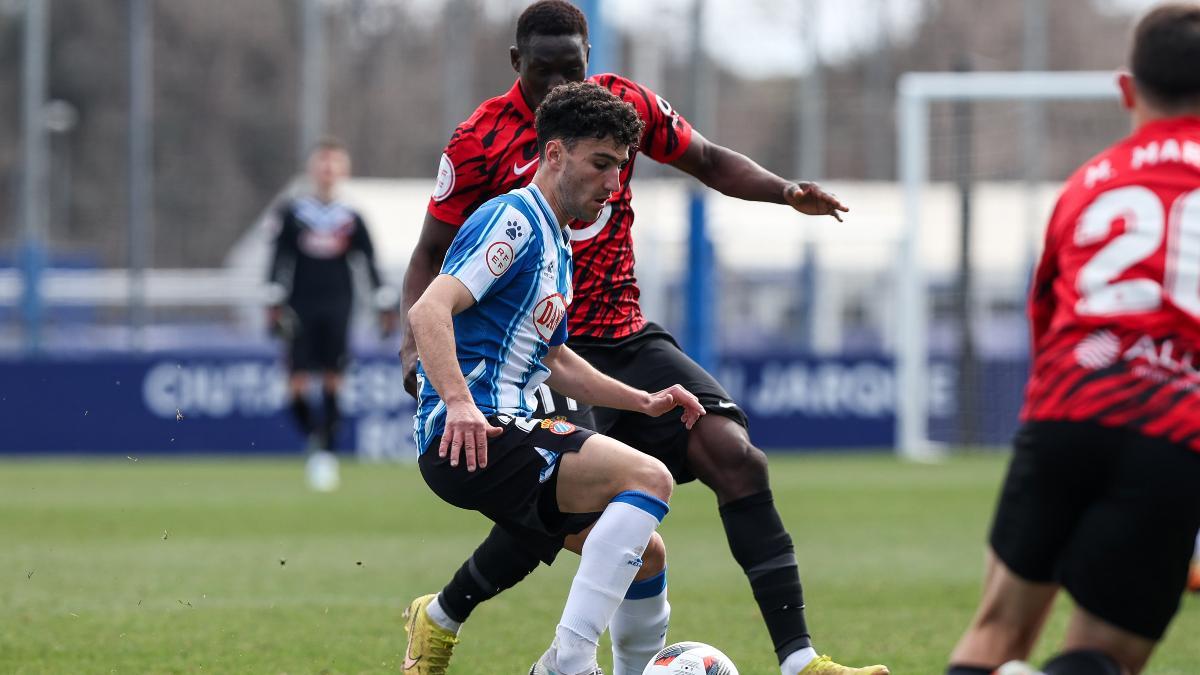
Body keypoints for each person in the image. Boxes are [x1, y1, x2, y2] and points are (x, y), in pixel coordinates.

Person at [400, 3, 887, 675]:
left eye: (572, 69)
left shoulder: (582, 193)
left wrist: (783, 192)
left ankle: (797, 660)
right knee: (606, 498)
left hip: (608, 341)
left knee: (693, 497)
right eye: (602, 165)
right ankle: (551, 655)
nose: (614, 181)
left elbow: (707, 159)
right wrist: (438, 382)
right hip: (509, 386)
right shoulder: (499, 179)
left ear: (590, 58)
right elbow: (431, 281)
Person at [408, 80, 706, 675]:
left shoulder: (558, 243)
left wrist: (643, 401)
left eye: (620, 167)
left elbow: (557, 360)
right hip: (474, 430)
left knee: (645, 555)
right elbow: (428, 310)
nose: (613, 183)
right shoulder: (514, 219)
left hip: (510, 428)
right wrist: (460, 403)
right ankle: (568, 659)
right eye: (601, 163)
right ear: (553, 154)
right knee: (650, 477)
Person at [945, 5, 1200, 675]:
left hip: (1066, 413)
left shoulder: (1091, 181)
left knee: (997, 630)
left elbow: (1048, 318)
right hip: (1174, 429)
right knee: (1105, 652)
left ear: (1127, 89)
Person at [266, 137, 397, 491]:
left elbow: (369, 262)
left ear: (344, 170)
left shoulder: (351, 217)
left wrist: (384, 302)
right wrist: (273, 301)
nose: (327, 169)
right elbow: (278, 259)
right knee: (296, 386)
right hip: (300, 307)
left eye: (334, 163)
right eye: (322, 162)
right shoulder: (293, 214)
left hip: (338, 305)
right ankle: (314, 437)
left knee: (333, 380)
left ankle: (325, 454)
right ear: (312, 168)